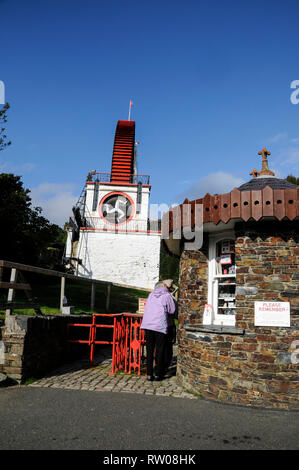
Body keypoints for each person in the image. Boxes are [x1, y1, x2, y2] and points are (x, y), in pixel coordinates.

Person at [141, 280, 176, 381]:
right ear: (164, 286)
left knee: (149, 350)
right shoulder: (167, 296)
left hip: (148, 325)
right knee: (160, 350)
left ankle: (149, 374)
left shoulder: (151, 294)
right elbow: (172, 310)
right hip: (159, 326)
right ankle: (158, 374)